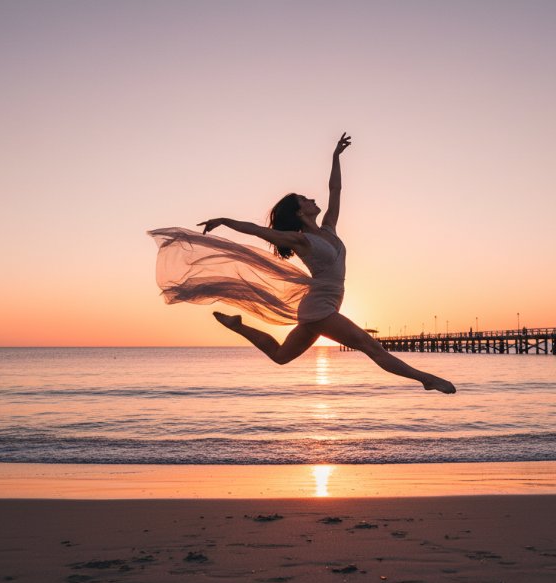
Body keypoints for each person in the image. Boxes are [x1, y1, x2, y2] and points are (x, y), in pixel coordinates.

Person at [149, 133, 456, 394]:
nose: (312, 198)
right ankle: (424, 379)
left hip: (321, 307)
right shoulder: (299, 241)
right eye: (305, 199)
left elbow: (335, 190)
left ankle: (238, 327)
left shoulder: (329, 228)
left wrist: (336, 156)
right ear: (299, 212)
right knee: (369, 345)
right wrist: (225, 220)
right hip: (320, 308)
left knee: (281, 356)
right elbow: (258, 230)